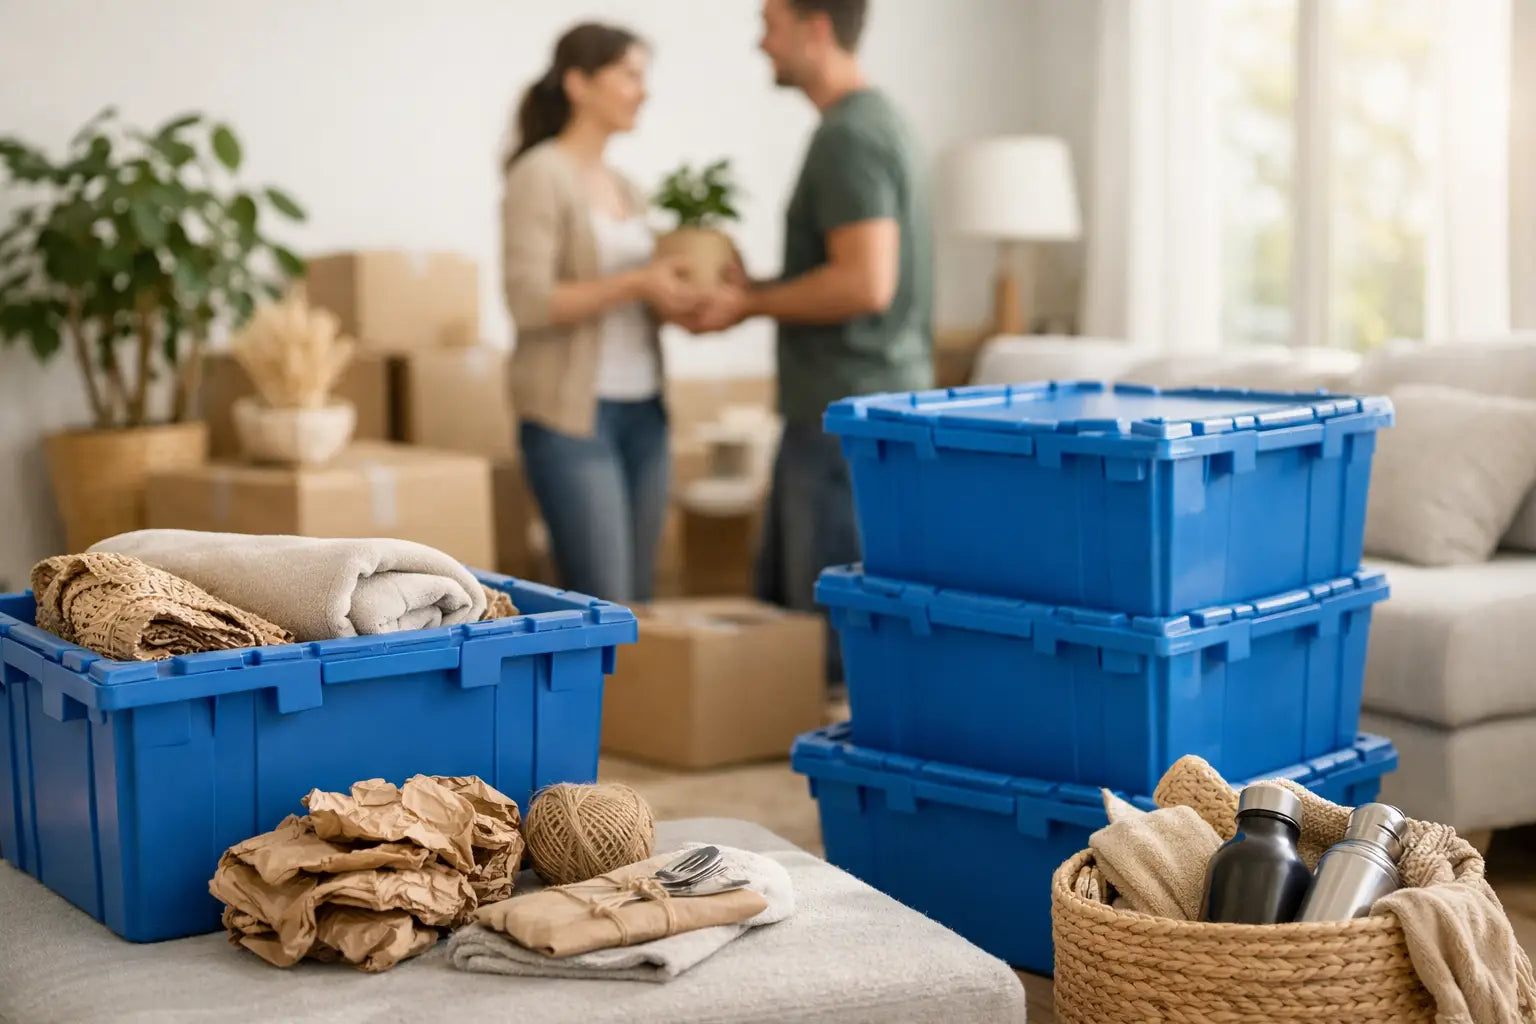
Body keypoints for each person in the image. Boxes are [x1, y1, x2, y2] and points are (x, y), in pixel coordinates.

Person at [684, 0, 933, 681]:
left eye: (770, 25)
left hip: (842, 406)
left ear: (815, 29)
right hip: (860, 400)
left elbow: (864, 283)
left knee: (821, 644)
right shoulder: (873, 124)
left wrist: (749, 303)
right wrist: (759, 288)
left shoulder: (850, 136)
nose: (761, 43)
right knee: (808, 620)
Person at [501, 23, 702, 603]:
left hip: (646, 413)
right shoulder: (540, 174)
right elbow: (529, 301)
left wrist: (688, 296)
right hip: (572, 420)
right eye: (631, 75)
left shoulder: (627, 188)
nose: (644, 91)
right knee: (602, 597)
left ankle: (632, 699)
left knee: (638, 597)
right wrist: (640, 281)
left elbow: (639, 298)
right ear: (580, 84)